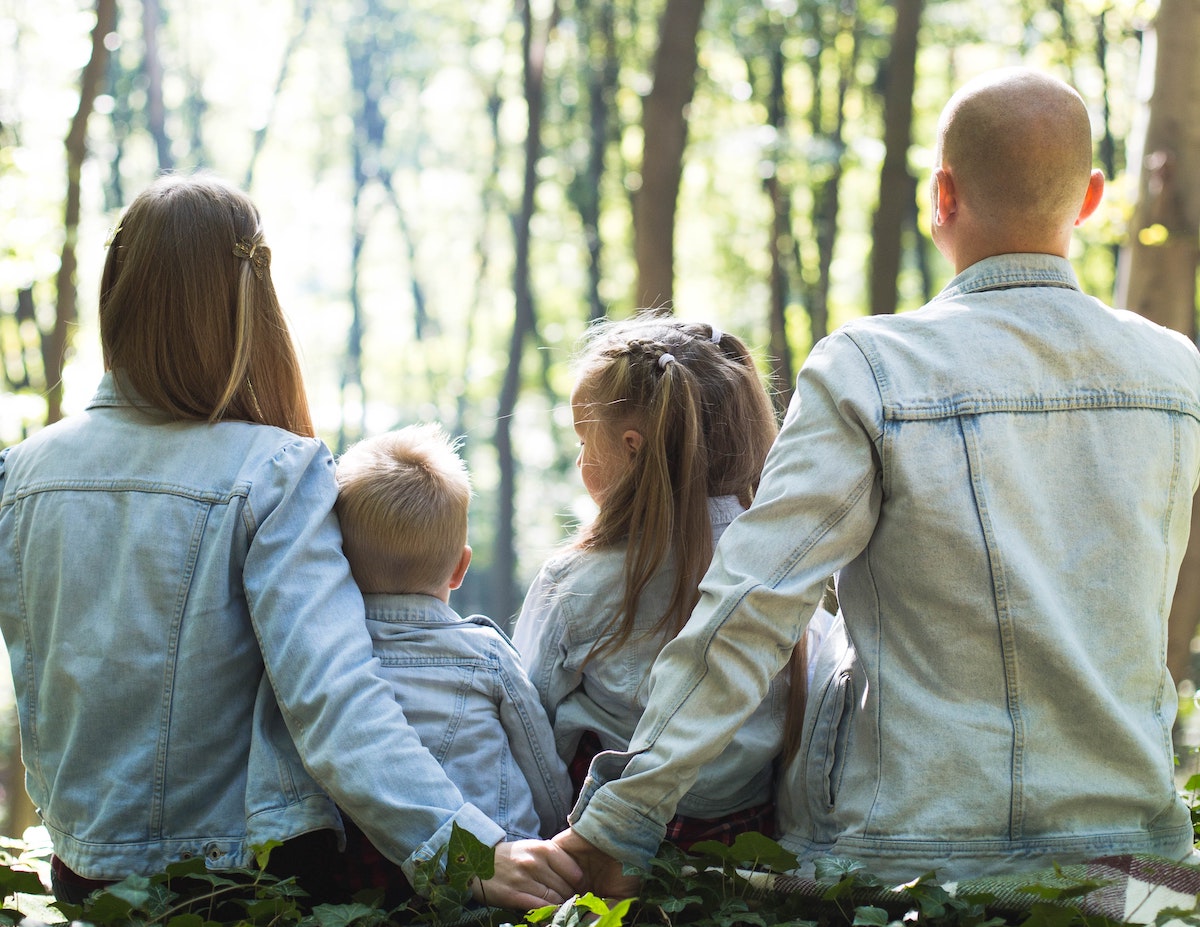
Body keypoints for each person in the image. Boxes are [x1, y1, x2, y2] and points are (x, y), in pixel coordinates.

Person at [553, 67, 1200, 891]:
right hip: (1137, 862)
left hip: (905, 859)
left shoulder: (872, 368)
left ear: (941, 195)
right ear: (1091, 199)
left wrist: (623, 818)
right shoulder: (1176, 373)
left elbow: (753, 604)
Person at [0, 173, 579, 909]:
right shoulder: (274, 470)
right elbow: (333, 697)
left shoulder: (19, 472)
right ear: (249, 303)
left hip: (83, 877)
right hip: (236, 885)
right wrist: (464, 849)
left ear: (117, 289)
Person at [513, 315, 833, 847]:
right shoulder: (790, 575)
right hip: (745, 847)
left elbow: (529, 725)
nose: (579, 459)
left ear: (632, 447)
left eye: (585, 441)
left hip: (597, 845)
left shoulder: (574, 582)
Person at [332, 423, 572, 852]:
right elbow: (542, 771)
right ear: (461, 569)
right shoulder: (487, 655)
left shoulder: (328, 656)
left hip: (374, 871)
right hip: (500, 865)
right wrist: (555, 831)